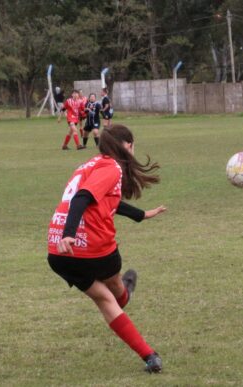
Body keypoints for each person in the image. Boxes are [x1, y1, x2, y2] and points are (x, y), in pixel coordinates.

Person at [47, 124, 166, 373]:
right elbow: (82, 198)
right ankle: (125, 295)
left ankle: (150, 357)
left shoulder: (89, 164)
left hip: (58, 252)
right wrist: (71, 235)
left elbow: (102, 200)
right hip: (91, 245)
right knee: (114, 291)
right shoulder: (112, 167)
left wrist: (141, 214)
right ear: (127, 145)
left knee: (103, 299)